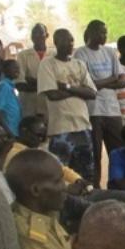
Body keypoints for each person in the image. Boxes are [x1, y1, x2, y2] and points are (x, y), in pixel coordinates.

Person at [0, 116, 125, 234]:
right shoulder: (17, 156)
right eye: (37, 135)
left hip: (72, 192)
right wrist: (67, 188)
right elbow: (40, 187)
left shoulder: (37, 150)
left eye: (43, 136)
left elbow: (62, 169)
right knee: (106, 212)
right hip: (60, 198)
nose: (40, 139)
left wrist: (79, 180)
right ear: (24, 131)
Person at [38, 28, 98, 181]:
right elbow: (52, 95)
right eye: (65, 40)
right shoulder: (47, 64)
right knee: (61, 175)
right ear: (56, 42)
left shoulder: (79, 64)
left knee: (86, 174)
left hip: (83, 127)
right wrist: (79, 90)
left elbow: (92, 93)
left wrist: (67, 87)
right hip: (60, 128)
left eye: (72, 40)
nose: (70, 44)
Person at [76, 20, 125, 184]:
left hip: (112, 110)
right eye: (101, 32)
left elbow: (121, 82)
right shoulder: (81, 54)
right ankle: (96, 188)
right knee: (95, 153)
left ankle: (117, 186)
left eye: (106, 32)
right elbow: (86, 85)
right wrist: (111, 79)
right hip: (93, 110)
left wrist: (99, 83)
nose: (105, 35)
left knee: (118, 152)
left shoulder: (110, 52)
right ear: (91, 33)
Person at [15, 24, 54, 118]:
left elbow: (58, 81)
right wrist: (47, 85)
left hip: (49, 106)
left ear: (47, 35)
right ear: (31, 37)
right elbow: (20, 84)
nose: (37, 36)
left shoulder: (54, 55)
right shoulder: (22, 55)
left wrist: (32, 81)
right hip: (29, 106)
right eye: (34, 34)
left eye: (40, 33)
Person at [0, 59, 21, 137]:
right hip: (8, 131)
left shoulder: (11, 86)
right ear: (6, 70)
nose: (17, 70)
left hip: (14, 128)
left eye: (18, 68)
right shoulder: (4, 86)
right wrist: (7, 130)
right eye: (14, 68)